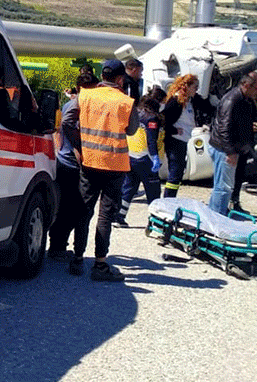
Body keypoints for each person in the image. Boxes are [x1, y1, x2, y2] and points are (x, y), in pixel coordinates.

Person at [73, 58, 137, 281]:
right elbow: (131, 131)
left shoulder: (85, 95)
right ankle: (100, 265)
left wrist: (76, 148)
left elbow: (68, 122)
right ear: (120, 79)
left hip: (89, 161)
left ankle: (77, 258)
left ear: (102, 76)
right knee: (105, 216)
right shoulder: (126, 102)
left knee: (84, 211)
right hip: (114, 165)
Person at [48, 65, 100, 266]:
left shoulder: (80, 103)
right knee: (68, 209)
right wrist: (79, 148)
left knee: (71, 208)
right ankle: (57, 247)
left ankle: (59, 246)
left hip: (71, 163)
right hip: (69, 164)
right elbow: (67, 126)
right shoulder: (76, 104)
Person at [208, 72, 257, 215]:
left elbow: (236, 123)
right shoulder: (232, 100)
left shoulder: (245, 99)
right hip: (224, 149)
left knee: (224, 186)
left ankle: (215, 214)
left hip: (233, 147)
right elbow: (223, 128)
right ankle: (218, 218)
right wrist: (230, 152)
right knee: (223, 187)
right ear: (246, 85)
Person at [118, 87, 165, 224]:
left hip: (131, 157)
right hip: (146, 159)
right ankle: (156, 221)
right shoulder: (152, 118)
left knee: (129, 188)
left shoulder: (135, 114)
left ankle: (119, 217)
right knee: (153, 191)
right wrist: (155, 157)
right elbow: (151, 140)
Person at [160, 74, 200, 199]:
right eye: (195, 87)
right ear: (186, 87)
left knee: (178, 172)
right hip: (175, 141)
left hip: (183, 140)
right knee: (175, 172)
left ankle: (171, 198)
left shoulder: (189, 100)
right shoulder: (176, 101)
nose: (196, 89)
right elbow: (163, 119)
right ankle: (168, 199)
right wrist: (174, 130)